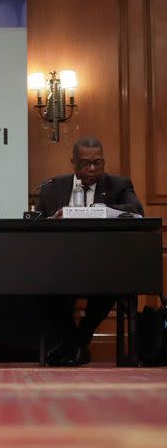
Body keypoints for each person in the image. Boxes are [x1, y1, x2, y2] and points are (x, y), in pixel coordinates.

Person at [37, 136, 144, 366]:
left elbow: (136, 209)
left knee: (112, 283)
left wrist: (97, 210)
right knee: (42, 286)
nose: (93, 168)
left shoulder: (118, 185)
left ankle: (75, 344)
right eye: (86, 163)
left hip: (102, 263)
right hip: (60, 263)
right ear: (73, 162)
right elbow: (37, 224)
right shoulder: (52, 187)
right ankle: (76, 346)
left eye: (98, 162)